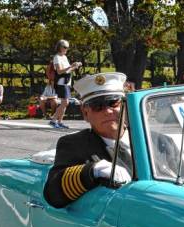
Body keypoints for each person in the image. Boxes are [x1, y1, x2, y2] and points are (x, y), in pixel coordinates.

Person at [43, 72, 131, 208]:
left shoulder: (157, 142)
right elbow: (53, 194)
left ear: (125, 105)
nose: (108, 111)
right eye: (97, 106)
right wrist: (92, 171)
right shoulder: (74, 145)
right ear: (85, 113)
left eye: (113, 102)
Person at [50, 39, 82, 129]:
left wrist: (75, 66)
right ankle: (53, 120)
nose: (66, 49)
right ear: (60, 47)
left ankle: (59, 122)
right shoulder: (57, 57)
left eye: (67, 47)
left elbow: (68, 70)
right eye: (65, 47)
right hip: (61, 83)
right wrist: (70, 66)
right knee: (65, 102)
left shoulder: (64, 57)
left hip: (67, 82)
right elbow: (59, 71)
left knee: (65, 103)